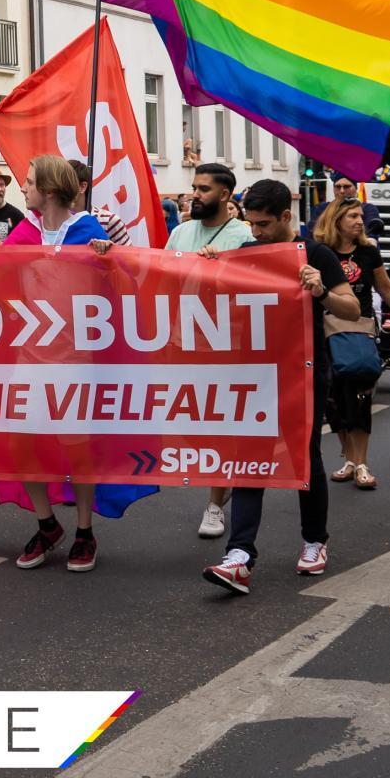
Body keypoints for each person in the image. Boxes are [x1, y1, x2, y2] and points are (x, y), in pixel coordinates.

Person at [201, 179, 357, 595]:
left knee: (303, 456)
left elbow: (351, 307)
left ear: (287, 217)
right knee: (250, 455)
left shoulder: (317, 253)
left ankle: (314, 540)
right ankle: (240, 556)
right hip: (255, 370)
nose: (256, 232)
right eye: (250, 223)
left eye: (265, 224)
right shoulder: (247, 253)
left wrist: (321, 289)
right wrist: (208, 264)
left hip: (304, 370)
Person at [0, 155, 146, 572]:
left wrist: (110, 261)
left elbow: (126, 287)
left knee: (76, 446)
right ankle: (47, 525)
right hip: (30, 353)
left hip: (76, 359)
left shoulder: (88, 231)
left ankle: (84, 530)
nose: (20, 189)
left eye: (27, 182)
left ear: (47, 192)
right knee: (20, 441)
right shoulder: (24, 232)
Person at [166, 162, 253, 538]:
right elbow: (158, 275)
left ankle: (216, 503)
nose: (194, 195)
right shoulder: (181, 232)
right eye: (194, 187)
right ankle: (226, 479)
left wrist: (222, 272)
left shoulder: (242, 235)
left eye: (203, 189)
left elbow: (254, 290)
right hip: (182, 342)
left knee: (222, 425)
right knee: (192, 426)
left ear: (224, 194)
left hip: (225, 345)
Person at [314, 197, 390, 490]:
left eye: (360, 216)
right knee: (334, 400)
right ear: (336, 220)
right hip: (325, 333)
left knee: (360, 396)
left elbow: (385, 287)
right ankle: (348, 458)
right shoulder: (320, 252)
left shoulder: (368, 252)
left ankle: (362, 463)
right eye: (352, 216)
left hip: (359, 330)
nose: (360, 221)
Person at [322, 175, 386, 241]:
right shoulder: (323, 208)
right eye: (337, 187)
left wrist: (372, 240)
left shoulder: (368, 208)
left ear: (356, 188)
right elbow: (312, 233)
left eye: (346, 187)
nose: (342, 191)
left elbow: (371, 234)